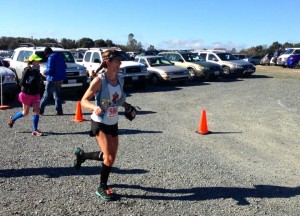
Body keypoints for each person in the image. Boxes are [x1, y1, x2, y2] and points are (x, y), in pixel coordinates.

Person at [73, 48, 137, 202]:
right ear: (108, 62)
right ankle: (102, 186)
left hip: (113, 122)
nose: (120, 63)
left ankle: (82, 155)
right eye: (117, 61)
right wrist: (94, 107)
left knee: (111, 157)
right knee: (108, 157)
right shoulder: (99, 80)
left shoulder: (120, 79)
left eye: (120, 61)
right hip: (99, 122)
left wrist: (128, 107)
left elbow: (118, 99)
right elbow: (84, 101)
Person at [7, 54, 43, 136]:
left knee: (37, 111)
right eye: (37, 61)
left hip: (36, 94)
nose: (39, 62)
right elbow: (21, 82)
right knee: (25, 113)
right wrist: (31, 87)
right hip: (26, 94)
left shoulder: (37, 70)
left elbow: (37, 81)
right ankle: (12, 119)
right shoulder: (27, 70)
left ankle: (35, 130)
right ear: (33, 62)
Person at [40, 47, 67, 115]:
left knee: (46, 96)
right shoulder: (60, 57)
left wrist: (44, 72)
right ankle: (59, 110)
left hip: (52, 79)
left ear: (47, 53)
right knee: (57, 95)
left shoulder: (50, 58)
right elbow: (65, 66)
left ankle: (40, 110)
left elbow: (50, 70)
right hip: (60, 79)